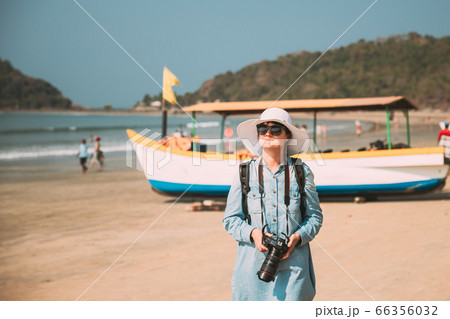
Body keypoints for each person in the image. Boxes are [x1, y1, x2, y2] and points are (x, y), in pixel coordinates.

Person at [223, 108, 323, 301]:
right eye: (262, 128)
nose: (268, 133)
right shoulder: (244, 172)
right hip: (251, 272)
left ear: (287, 136)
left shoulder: (302, 172)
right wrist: (253, 234)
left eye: (276, 129)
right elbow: (230, 219)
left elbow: (315, 217)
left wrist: (297, 238)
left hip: (294, 272)